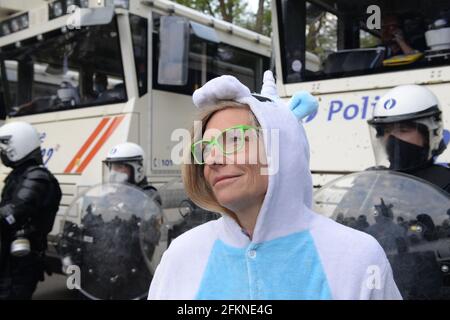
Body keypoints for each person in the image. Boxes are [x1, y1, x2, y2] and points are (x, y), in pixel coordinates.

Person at [148, 72, 401, 300]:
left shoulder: (356, 257)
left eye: (234, 139)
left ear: (282, 148)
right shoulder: (181, 255)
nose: (213, 159)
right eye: (205, 148)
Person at [0, 122, 62, 300]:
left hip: (20, 262)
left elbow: (12, 213)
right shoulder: (19, 175)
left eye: (5, 145)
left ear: (20, 144)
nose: (2, 152)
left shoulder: (37, 177)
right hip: (9, 257)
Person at [367, 84, 450, 194]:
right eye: (386, 131)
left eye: (403, 130)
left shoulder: (445, 182)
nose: (391, 138)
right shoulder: (372, 181)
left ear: (428, 135)